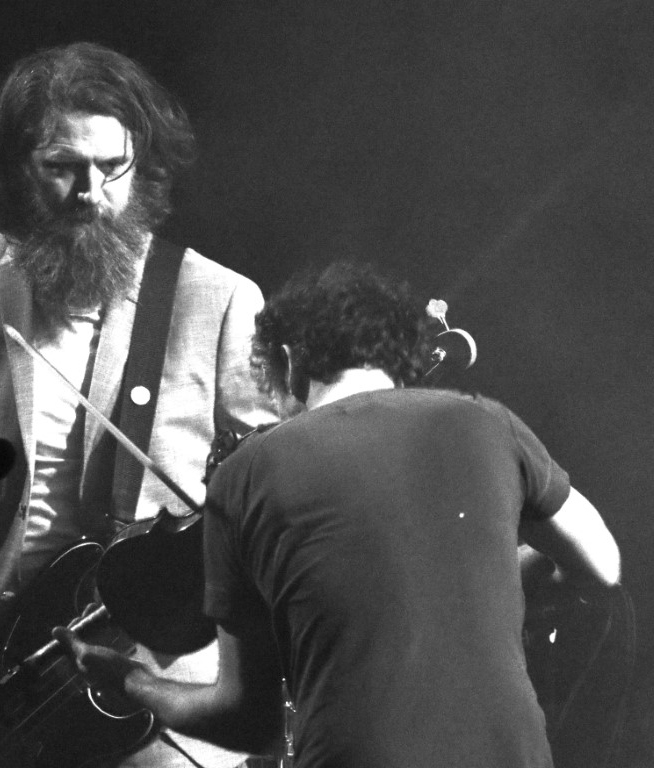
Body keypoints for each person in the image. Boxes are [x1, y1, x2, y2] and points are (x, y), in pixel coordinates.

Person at [0, 42, 275, 768]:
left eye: (114, 167)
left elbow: (271, 509)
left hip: (160, 706)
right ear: (17, 166)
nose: (92, 194)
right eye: (62, 167)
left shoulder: (220, 299)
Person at [55, 261, 622, 768]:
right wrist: (499, 576)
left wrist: (134, 683)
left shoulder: (245, 472)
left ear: (289, 360)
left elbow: (248, 721)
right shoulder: (488, 421)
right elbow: (602, 566)